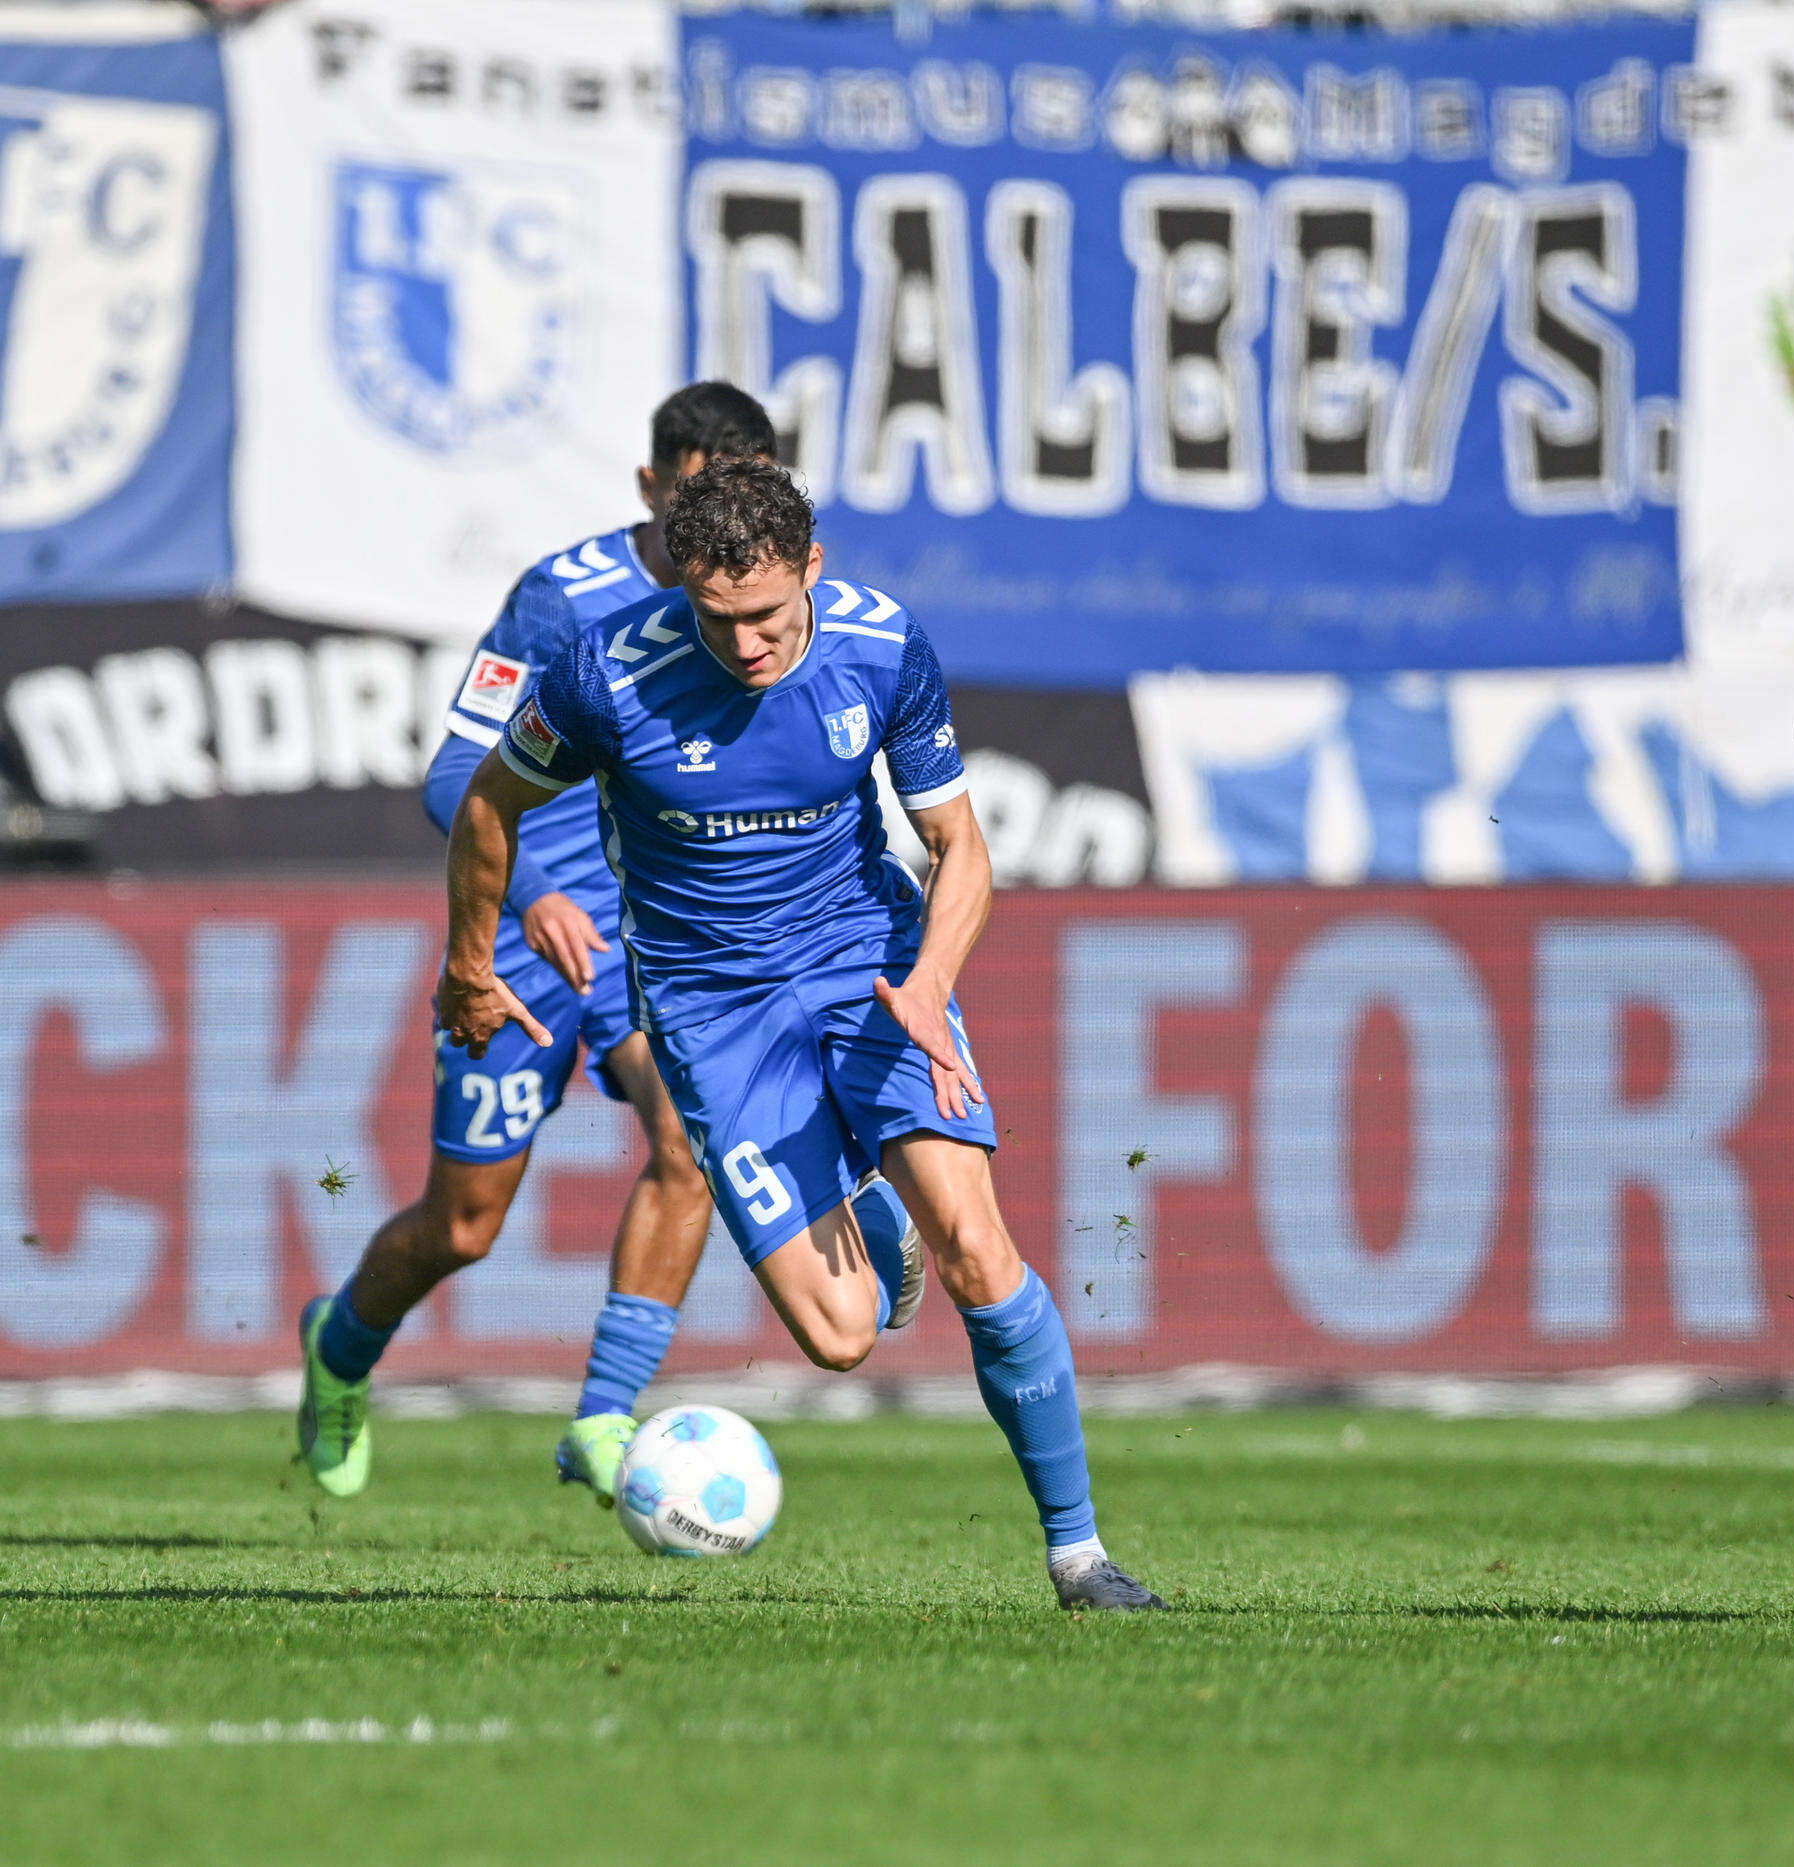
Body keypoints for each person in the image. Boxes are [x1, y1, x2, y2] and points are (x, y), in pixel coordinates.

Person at [442, 456, 1159, 1610]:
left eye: (769, 616)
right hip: (712, 1013)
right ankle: (868, 1201)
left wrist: (930, 982)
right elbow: (487, 804)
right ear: (680, 585)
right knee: (840, 1336)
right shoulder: (606, 674)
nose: (748, 646)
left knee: (977, 1243)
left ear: (811, 568)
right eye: (718, 619)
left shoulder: (883, 649)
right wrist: (470, 963)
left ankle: (1080, 1557)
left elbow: (959, 848)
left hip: (866, 970)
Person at [293, 383, 916, 1504]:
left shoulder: (777, 619)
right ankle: (341, 1343)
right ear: (651, 487)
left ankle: (602, 1417)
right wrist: (530, 894)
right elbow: (456, 776)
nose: (715, 536)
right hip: (535, 943)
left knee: (688, 1140)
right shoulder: (562, 598)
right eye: (694, 500)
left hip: (659, 940)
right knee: (465, 1224)